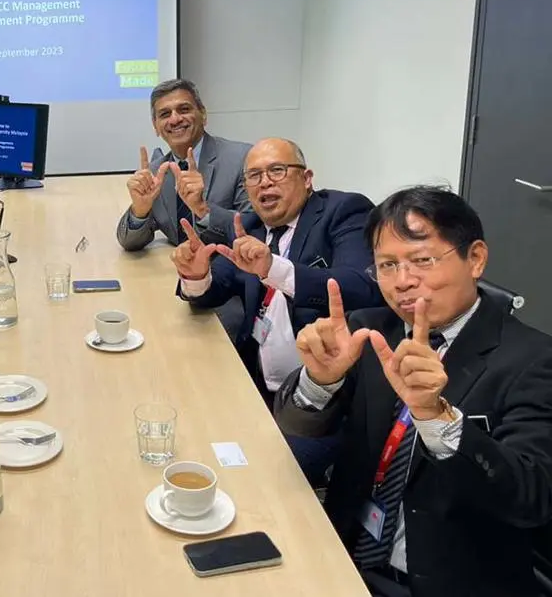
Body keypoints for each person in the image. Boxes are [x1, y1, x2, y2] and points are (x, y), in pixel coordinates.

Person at [275, 186, 552, 596]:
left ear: (475, 258)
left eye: (422, 260)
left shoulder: (534, 359)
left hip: (450, 581)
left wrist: (437, 417)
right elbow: (300, 424)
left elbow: (531, 496)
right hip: (343, 557)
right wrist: (320, 381)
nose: (402, 282)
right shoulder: (369, 328)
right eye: (387, 265)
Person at [173, 137, 381, 403]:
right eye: (254, 176)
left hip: (325, 394)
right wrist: (196, 275)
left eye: (277, 171)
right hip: (256, 383)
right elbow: (217, 286)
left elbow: (362, 286)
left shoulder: (343, 211)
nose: (265, 182)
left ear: (306, 178)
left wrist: (273, 268)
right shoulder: (250, 225)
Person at [116, 78, 252, 251]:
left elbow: (255, 229)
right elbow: (129, 242)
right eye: (165, 114)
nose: (175, 119)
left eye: (184, 109)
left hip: (229, 269)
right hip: (178, 271)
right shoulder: (156, 172)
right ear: (156, 126)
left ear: (203, 115)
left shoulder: (243, 158)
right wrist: (140, 210)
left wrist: (203, 209)